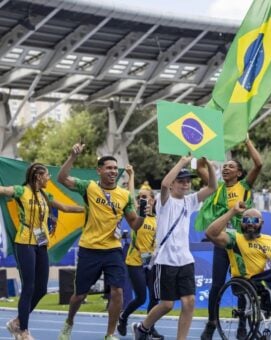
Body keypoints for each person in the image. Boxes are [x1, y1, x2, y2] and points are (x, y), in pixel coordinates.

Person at [57, 143, 148, 340]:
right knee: (79, 296)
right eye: (109, 168)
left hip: (113, 250)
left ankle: (109, 334)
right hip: (89, 249)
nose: (113, 171)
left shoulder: (124, 196)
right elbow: (62, 178)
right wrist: (72, 156)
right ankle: (69, 321)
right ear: (99, 170)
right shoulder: (88, 187)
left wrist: (143, 215)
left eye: (115, 168)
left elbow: (134, 225)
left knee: (118, 292)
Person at [133, 156, 217, 340]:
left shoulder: (190, 201)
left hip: (185, 260)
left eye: (188, 181)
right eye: (181, 181)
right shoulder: (164, 201)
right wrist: (182, 162)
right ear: (173, 184)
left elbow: (212, 187)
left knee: (189, 302)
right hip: (165, 260)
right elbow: (163, 185)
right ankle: (143, 327)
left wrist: (209, 165)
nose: (186, 184)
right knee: (167, 304)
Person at [0, 163, 84, 340]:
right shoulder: (21, 191)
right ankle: (23, 331)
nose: (49, 178)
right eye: (47, 175)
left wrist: (87, 209)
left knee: (42, 288)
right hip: (24, 243)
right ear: (38, 176)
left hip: (41, 244)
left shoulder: (46, 195)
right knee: (29, 287)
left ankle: (16, 322)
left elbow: (65, 207)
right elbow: (3, 190)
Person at [198, 138, 263, 340]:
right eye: (224, 166)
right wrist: (202, 144)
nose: (226, 168)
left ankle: (243, 324)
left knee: (242, 283)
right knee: (216, 285)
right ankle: (211, 324)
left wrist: (247, 141)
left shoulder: (245, 186)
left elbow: (259, 164)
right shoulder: (215, 188)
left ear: (239, 173)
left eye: (231, 166)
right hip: (222, 241)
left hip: (243, 242)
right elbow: (200, 166)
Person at [205, 202, 271, 338]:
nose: (250, 223)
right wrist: (232, 212)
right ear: (241, 223)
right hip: (245, 280)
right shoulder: (235, 238)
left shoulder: (270, 240)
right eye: (246, 220)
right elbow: (210, 233)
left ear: (261, 223)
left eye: (254, 220)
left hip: (263, 280)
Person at [116, 177, 163, 339]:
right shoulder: (136, 215)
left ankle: (149, 326)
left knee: (155, 297)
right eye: (140, 197)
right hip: (135, 261)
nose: (144, 199)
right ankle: (123, 317)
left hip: (151, 263)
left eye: (147, 197)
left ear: (153, 199)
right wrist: (131, 175)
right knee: (141, 297)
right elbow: (130, 196)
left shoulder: (158, 218)